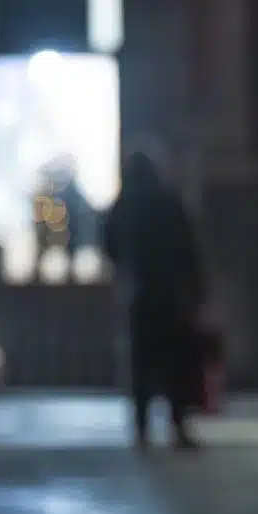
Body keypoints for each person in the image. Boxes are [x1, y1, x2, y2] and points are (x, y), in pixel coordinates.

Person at [103, 149, 208, 450]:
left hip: (141, 292)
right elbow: (190, 250)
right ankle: (178, 425)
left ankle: (142, 428)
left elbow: (110, 243)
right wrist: (197, 291)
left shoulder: (125, 207)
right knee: (176, 362)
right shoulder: (169, 203)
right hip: (171, 295)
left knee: (142, 364)